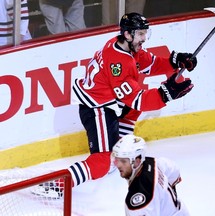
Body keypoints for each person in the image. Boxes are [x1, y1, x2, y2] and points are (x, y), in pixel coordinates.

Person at [32, 12, 197, 196]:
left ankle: (118, 150)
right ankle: (56, 184)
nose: (144, 38)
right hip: (96, 108)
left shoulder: (124, 46)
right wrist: (167, 94)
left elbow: (149, 63)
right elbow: (137, 99)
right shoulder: (119, 63)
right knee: (102, 162)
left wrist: (174, 61)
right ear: (128, 34)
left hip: (109, 102)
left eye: (145, 33)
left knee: (135, 108)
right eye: (141, 34)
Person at [111, 134, 190, 215]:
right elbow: (173, 169)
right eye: (117, 159)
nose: (118, 165)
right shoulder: (152, 162)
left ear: (137, 161)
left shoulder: (140, 197)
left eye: (123, 161)